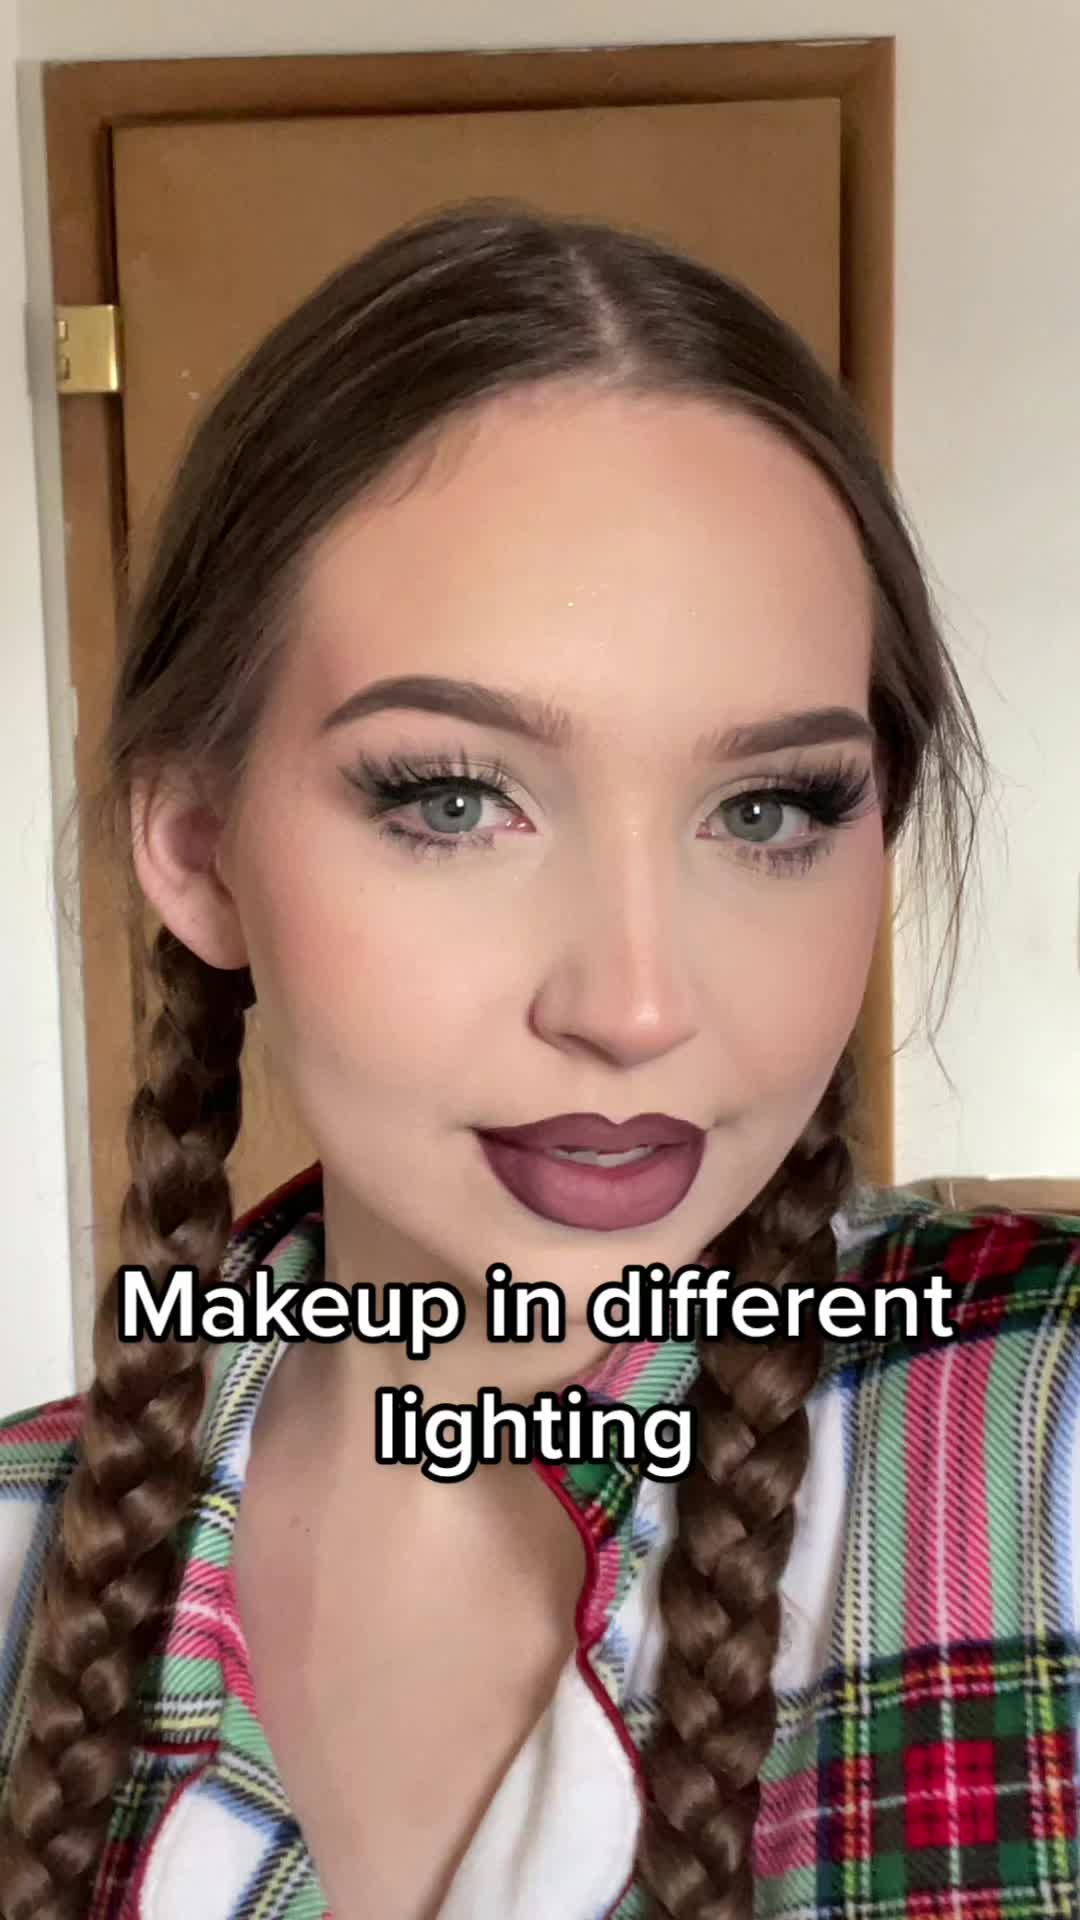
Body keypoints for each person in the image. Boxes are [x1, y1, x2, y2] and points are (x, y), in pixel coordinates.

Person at [0, 199, 1076, 1920]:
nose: (635, 1005)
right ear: (197, 846)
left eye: (770, 809)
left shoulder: (1040, 1438)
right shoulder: (24, 1552)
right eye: (453, 799)